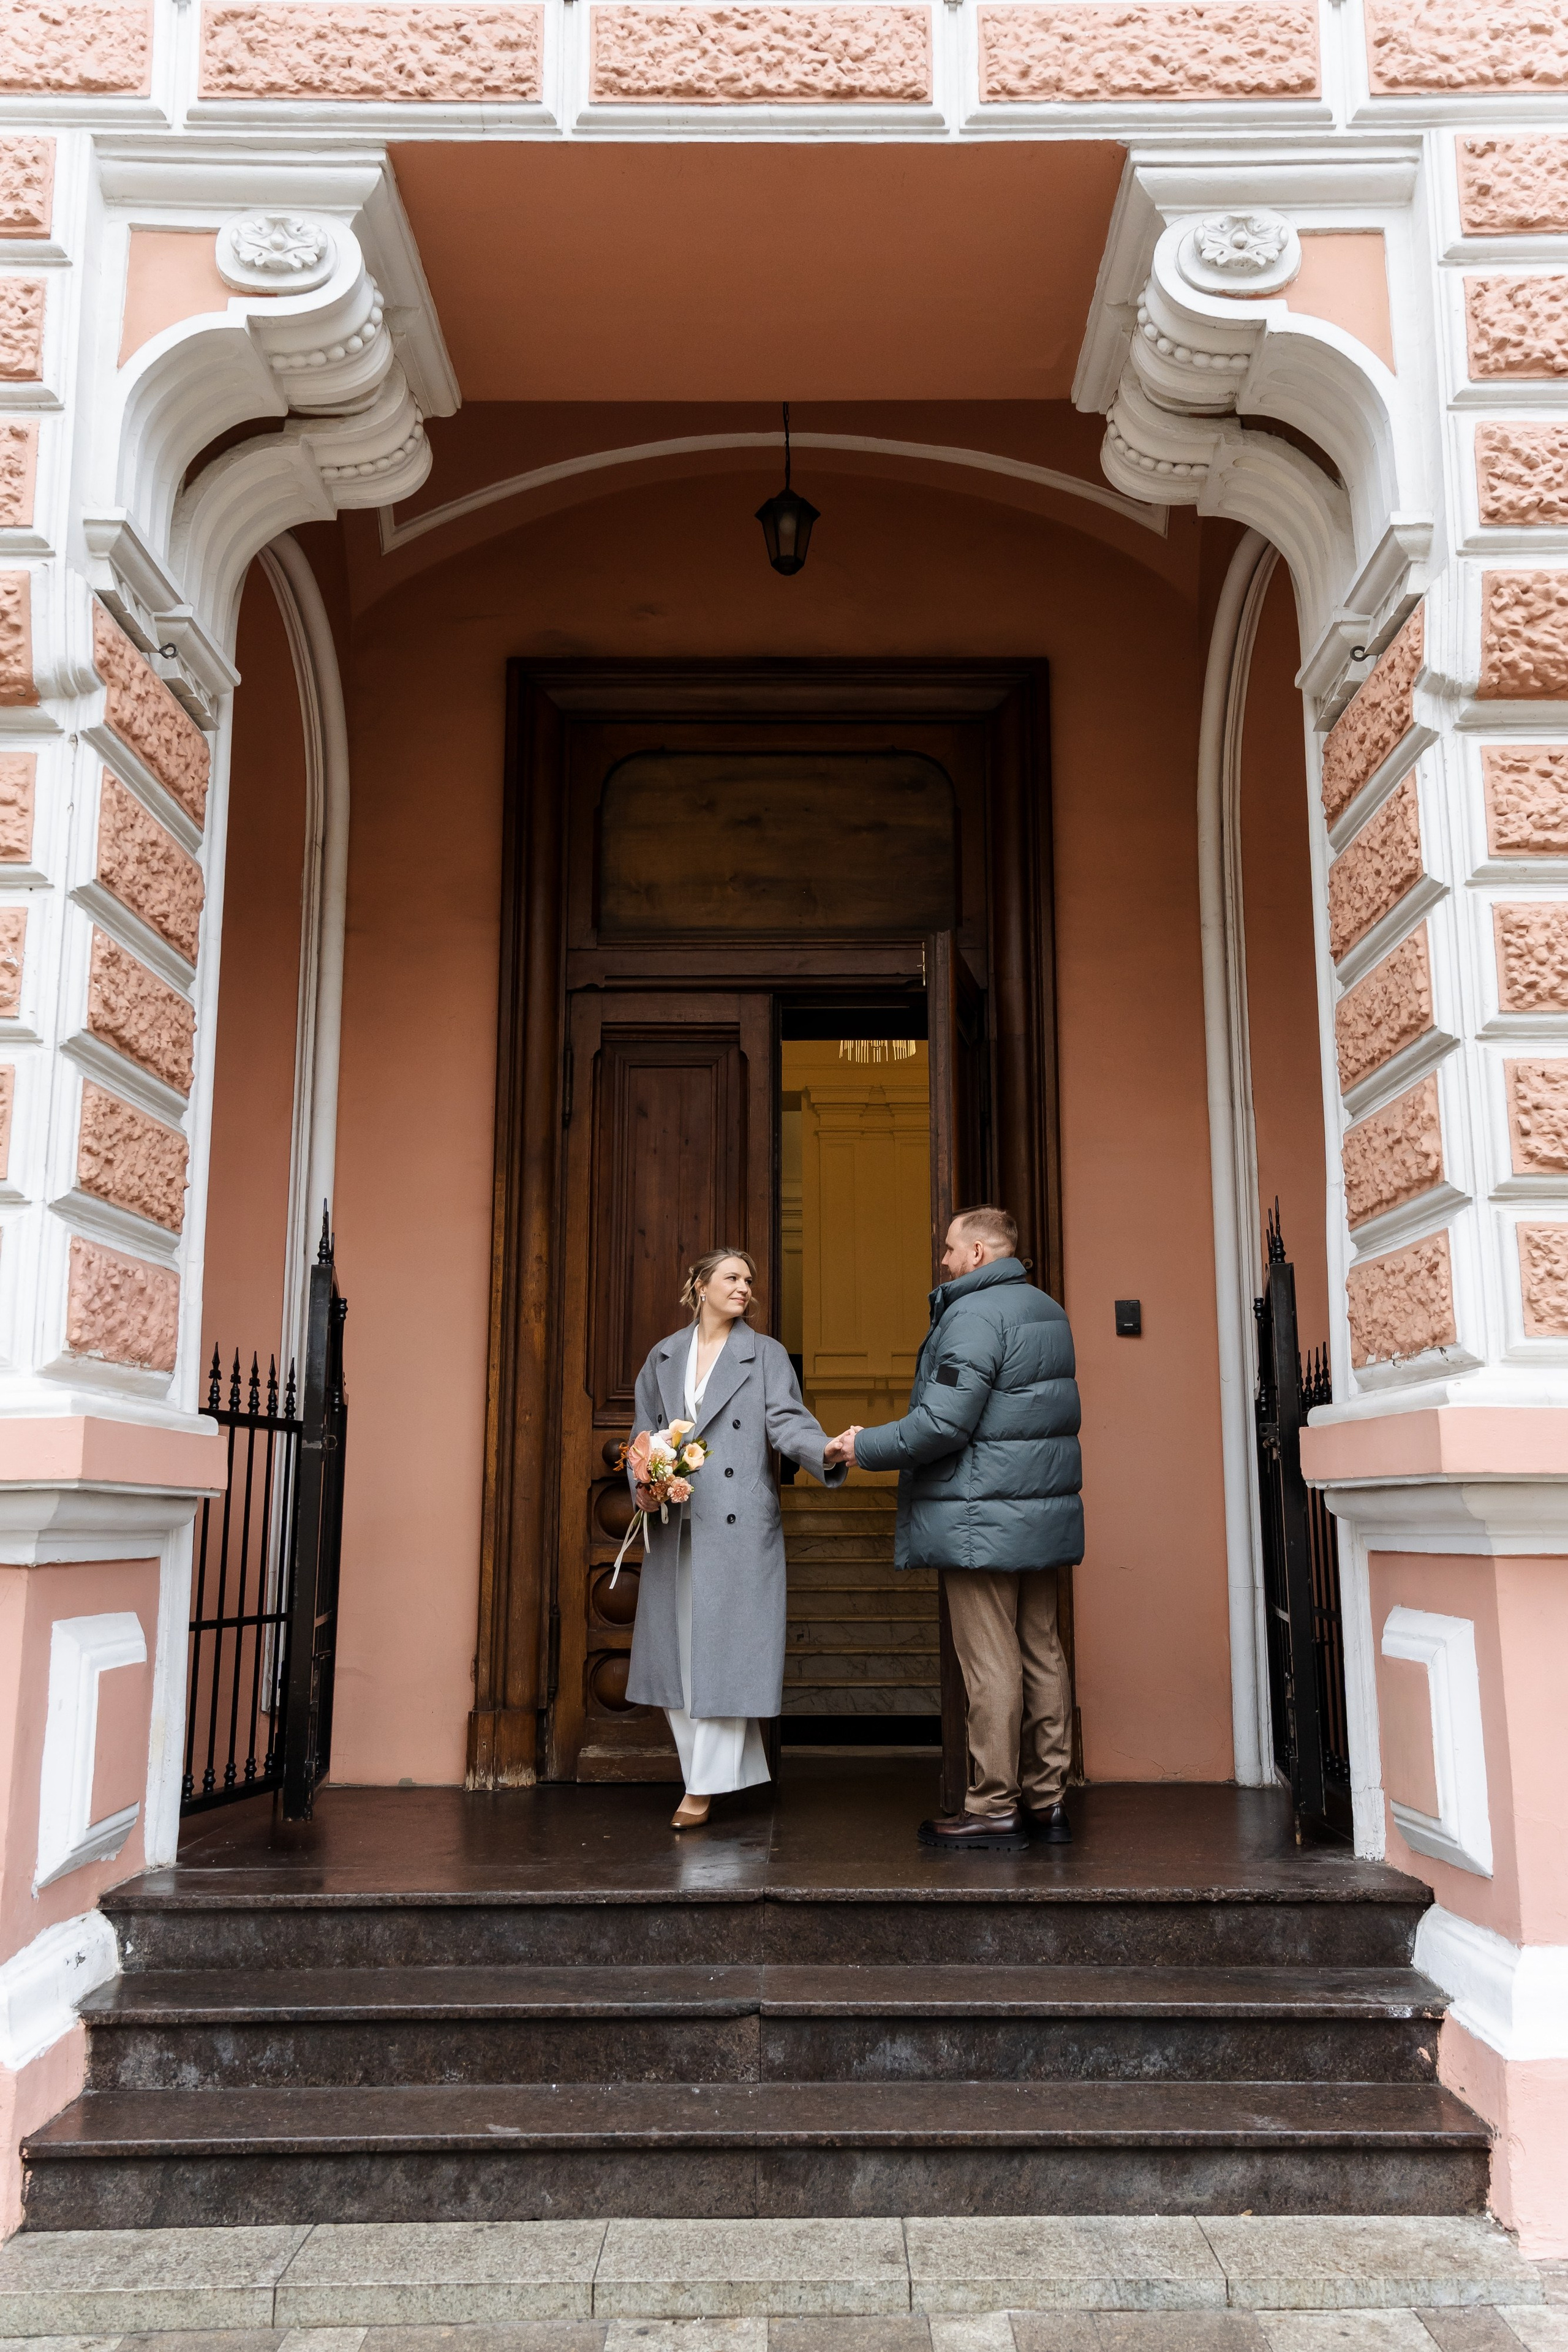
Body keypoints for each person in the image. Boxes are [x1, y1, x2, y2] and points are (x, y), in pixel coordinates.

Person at [824, 1205, 1083, 1852]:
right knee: (1041, 1651)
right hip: (1036, 1507)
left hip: (979, 1515)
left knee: (990, 1662)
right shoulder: (1045, 1309)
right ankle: (1047, 1799)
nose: (941, 1260)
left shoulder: (972, 1315)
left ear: (975, 1253)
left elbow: (942, 1423)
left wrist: (864, 1446)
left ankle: (993, 1803)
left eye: (947, 1249)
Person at [625, 1248, 846, 1831]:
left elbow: (787, 1421)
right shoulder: (665, 1355)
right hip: (677, 1525)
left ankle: (700, 1788)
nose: (744, 1287)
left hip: (738, 1526)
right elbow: (641, 1435)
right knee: (680, 1658)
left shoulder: (765, 1354)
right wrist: (645, 1484)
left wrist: (821, 1450)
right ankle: (714, 1775)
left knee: (725, 1656)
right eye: (731, 1277)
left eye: (749, 1279)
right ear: (699, 1286)